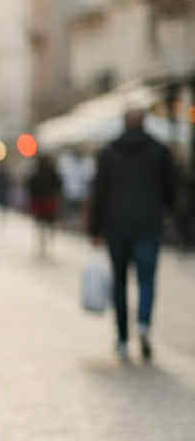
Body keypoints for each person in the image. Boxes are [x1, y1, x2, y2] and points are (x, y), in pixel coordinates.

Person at [89, 108, 176, 362]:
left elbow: (99, 192)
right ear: (145, 123)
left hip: (116, 226)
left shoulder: (108, 152)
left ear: (124, 123)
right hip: (149, 224)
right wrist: (167, 212)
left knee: (119, 281)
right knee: (147, 280)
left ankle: (123, 339)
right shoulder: (160, 151)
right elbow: (170, 190)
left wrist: (95, 229)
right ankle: (144, 325)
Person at [26, 153, 63, 258]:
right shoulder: (52, 172)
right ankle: (48, 238)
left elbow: (30, 186)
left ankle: (43, 239)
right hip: (49, 200)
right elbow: (59, 185)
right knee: (49, 222)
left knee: (41, 223)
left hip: (40, 201)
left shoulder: (36, 173)